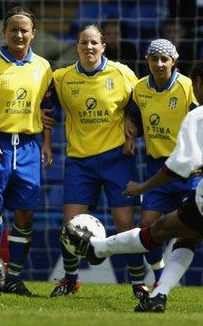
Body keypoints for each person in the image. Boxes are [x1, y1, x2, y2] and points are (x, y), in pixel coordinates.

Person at [62, 57, 203, 312]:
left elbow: (174, 169)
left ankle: (98, 249)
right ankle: (160, 294)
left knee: (159, 229)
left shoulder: (201, 115)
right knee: (187, 236)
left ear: (198, 82)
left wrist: (142, 187)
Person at [127, 39, 203, 302]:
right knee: (147, 225)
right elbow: (132, 114)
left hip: (190, 168)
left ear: (174, 62)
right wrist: (129, 129)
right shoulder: (140, 89)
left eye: (164, 59)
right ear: (147, 61)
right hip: (159, 169)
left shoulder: (187, 87)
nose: (158, 64)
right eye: (154, 59)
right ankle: (159, 278)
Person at [46, 24, 140, 297]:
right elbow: (44, 107)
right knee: (70, 225)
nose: (89, 47)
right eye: (84, 42)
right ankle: (70, 279)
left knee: (125, 224)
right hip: (80, 161)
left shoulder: (122, 74)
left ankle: (137, 283)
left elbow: (142, 103)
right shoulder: (62, 78)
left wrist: (132, 129)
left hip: (116, 159)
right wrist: (48, 143)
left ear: (103, 46)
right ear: (76, 46)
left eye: (94, 43)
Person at [0, 6, 53, 296]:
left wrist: (46, 142)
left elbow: (48, 107)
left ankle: (15, 278)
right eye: (13, 30)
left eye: (24, 30)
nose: (19, 34)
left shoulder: (43, 66)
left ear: (33, 33)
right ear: (4, 33)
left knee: (25, 215)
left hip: (29, 147)